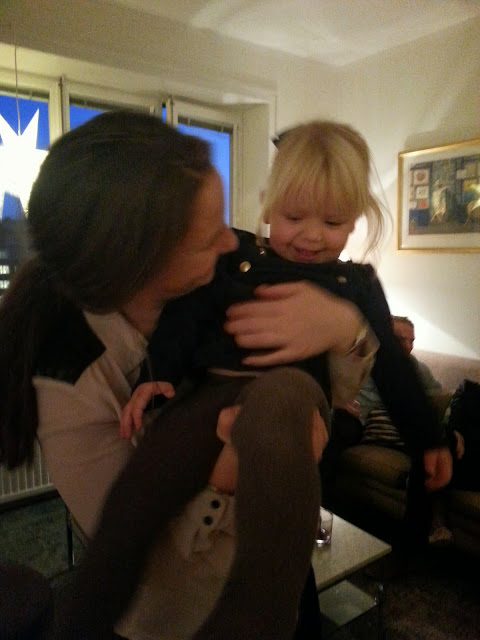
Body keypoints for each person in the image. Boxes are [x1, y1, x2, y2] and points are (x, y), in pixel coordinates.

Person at [47, 120, 451, 638]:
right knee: (146, 481)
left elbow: (392, 369)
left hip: (292, 395)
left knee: (277, 481)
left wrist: (427, 437)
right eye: (294, 216)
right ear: (267, 206)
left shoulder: (356, 284)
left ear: (356, 220)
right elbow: (187, 319)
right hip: (211, 391)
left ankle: (258, 619)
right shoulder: (235, 260)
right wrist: (160, 379)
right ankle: (88, 605)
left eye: (332, 222)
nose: (311, 235)